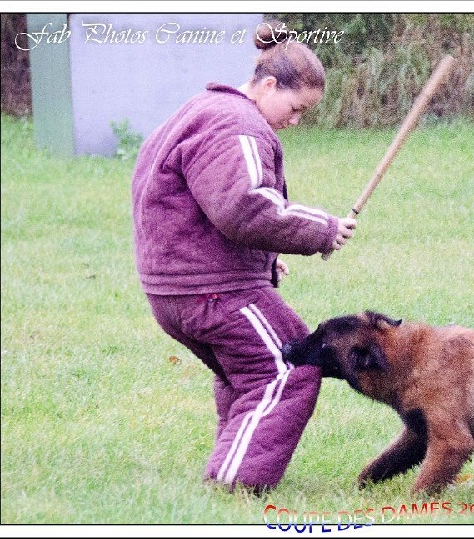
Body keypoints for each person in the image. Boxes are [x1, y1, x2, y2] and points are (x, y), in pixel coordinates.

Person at [131, 21, 356, 493]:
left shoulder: (200, 110)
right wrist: (323, 229)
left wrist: (265, 262)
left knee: (249, 371)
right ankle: (234, 484)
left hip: (174, 287)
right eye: (295, 109)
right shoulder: (238, 125)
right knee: (291, 363)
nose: (295, 122)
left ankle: (230, 466)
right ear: (269, 84)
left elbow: (190, 206)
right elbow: (243, 206)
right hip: (211, 292)